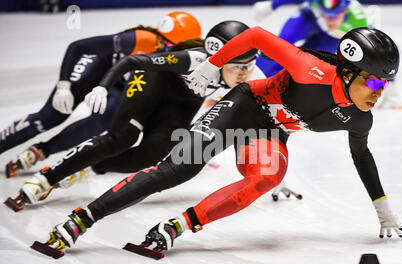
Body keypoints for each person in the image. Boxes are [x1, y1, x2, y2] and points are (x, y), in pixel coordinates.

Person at [30, 26, 402, 257]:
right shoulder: (309, 68)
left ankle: (176, 226)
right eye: (375, 82)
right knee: (177, 169)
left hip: (269, 132)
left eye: (386, 85)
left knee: (268, 176)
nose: (380, 92)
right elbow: (258, 36)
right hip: (243, 105)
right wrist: (214, 64)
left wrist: (383, 209)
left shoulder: (360, 116)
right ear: (347, 72)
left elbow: (361, 155)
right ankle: (82, 219)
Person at [6, 21, 264, 212]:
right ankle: (47, 177)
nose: (244, 74)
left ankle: (92, 166)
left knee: (152, 154)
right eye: (238, 67)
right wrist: (102, 87)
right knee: (122, 138)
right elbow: (132, 62)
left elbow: (259, 115)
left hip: (182, 102)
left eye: (249, 66)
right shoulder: (194, 60)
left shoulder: (251, 73)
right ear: (216, 61)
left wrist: (261, 167)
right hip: (153, 79)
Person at [1, 11, 202, 177]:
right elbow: (78, 47)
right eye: (168, 46)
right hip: (97, 71)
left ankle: (43, 150)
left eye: (176, 49)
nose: (171, 53)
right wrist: (63, 85)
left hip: (118, 83)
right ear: (159, 36)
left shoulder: (179, 58)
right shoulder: (140, 38)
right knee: (51, 117)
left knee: (107, 119)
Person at [252, 0, 402, 109]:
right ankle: (249, 75)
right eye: (326, 15)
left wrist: (391, 92)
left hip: (333, 36)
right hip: (310, 18)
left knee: (307, 58)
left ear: (345, 11)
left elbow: (383, 53)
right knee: (282, 45)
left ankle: (271, 84)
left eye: (334, 16)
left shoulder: (359, 20)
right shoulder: (314, 6)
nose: (329, 19)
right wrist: (270, 5)